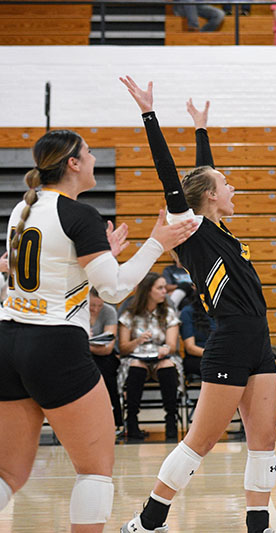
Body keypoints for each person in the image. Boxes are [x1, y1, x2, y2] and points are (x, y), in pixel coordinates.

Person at [0, 128, 192, 532]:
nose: (92, 159)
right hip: (54, 345)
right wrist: (156, 242)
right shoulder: (78, 214)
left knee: (8, 474)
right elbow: (116, 288)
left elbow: (41, 271)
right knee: (94, 471)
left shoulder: (23, 209)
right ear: (73, 163)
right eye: (87, 153)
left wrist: (100, 255)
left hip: (8, 339)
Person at [119, 77, 276, 533]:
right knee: (201, 441)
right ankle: (149, 521)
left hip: (259, 341)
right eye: (226, 184)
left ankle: (258, 524)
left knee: (264, 442)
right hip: (228, 339)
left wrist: (201, 129)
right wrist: (149, 113)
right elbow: (174, 178)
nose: (232, 189)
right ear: (210, 195)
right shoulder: (190, 230)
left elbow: (202, 174)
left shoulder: (219, 227)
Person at [118, 272, 183, 440]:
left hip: (161, 357)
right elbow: (123, 348)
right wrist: (137, 341)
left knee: (167, 367)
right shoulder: (129, 314)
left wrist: (165, 349)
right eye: (160, 288)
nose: (165, 292)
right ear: (148, 291)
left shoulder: (168, 313)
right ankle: (132, 420)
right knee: (136, 368)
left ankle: (171, 419)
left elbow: (172, 345)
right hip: (136, 356)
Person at [89, 287, 123, 430]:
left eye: (100, 305)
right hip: (82, 354)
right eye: (92, 306)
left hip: (103, 355)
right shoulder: (77, 310)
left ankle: (115, 420)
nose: (96, 309)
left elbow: (108, 347)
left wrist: (84, 343)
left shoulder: (109, 311)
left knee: (106, 368)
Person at [180, 289, 217, 378]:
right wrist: (217, 355)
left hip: (222, 354)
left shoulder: (224, 311)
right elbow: (190, 348)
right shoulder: (188, 312)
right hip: (199, 357)